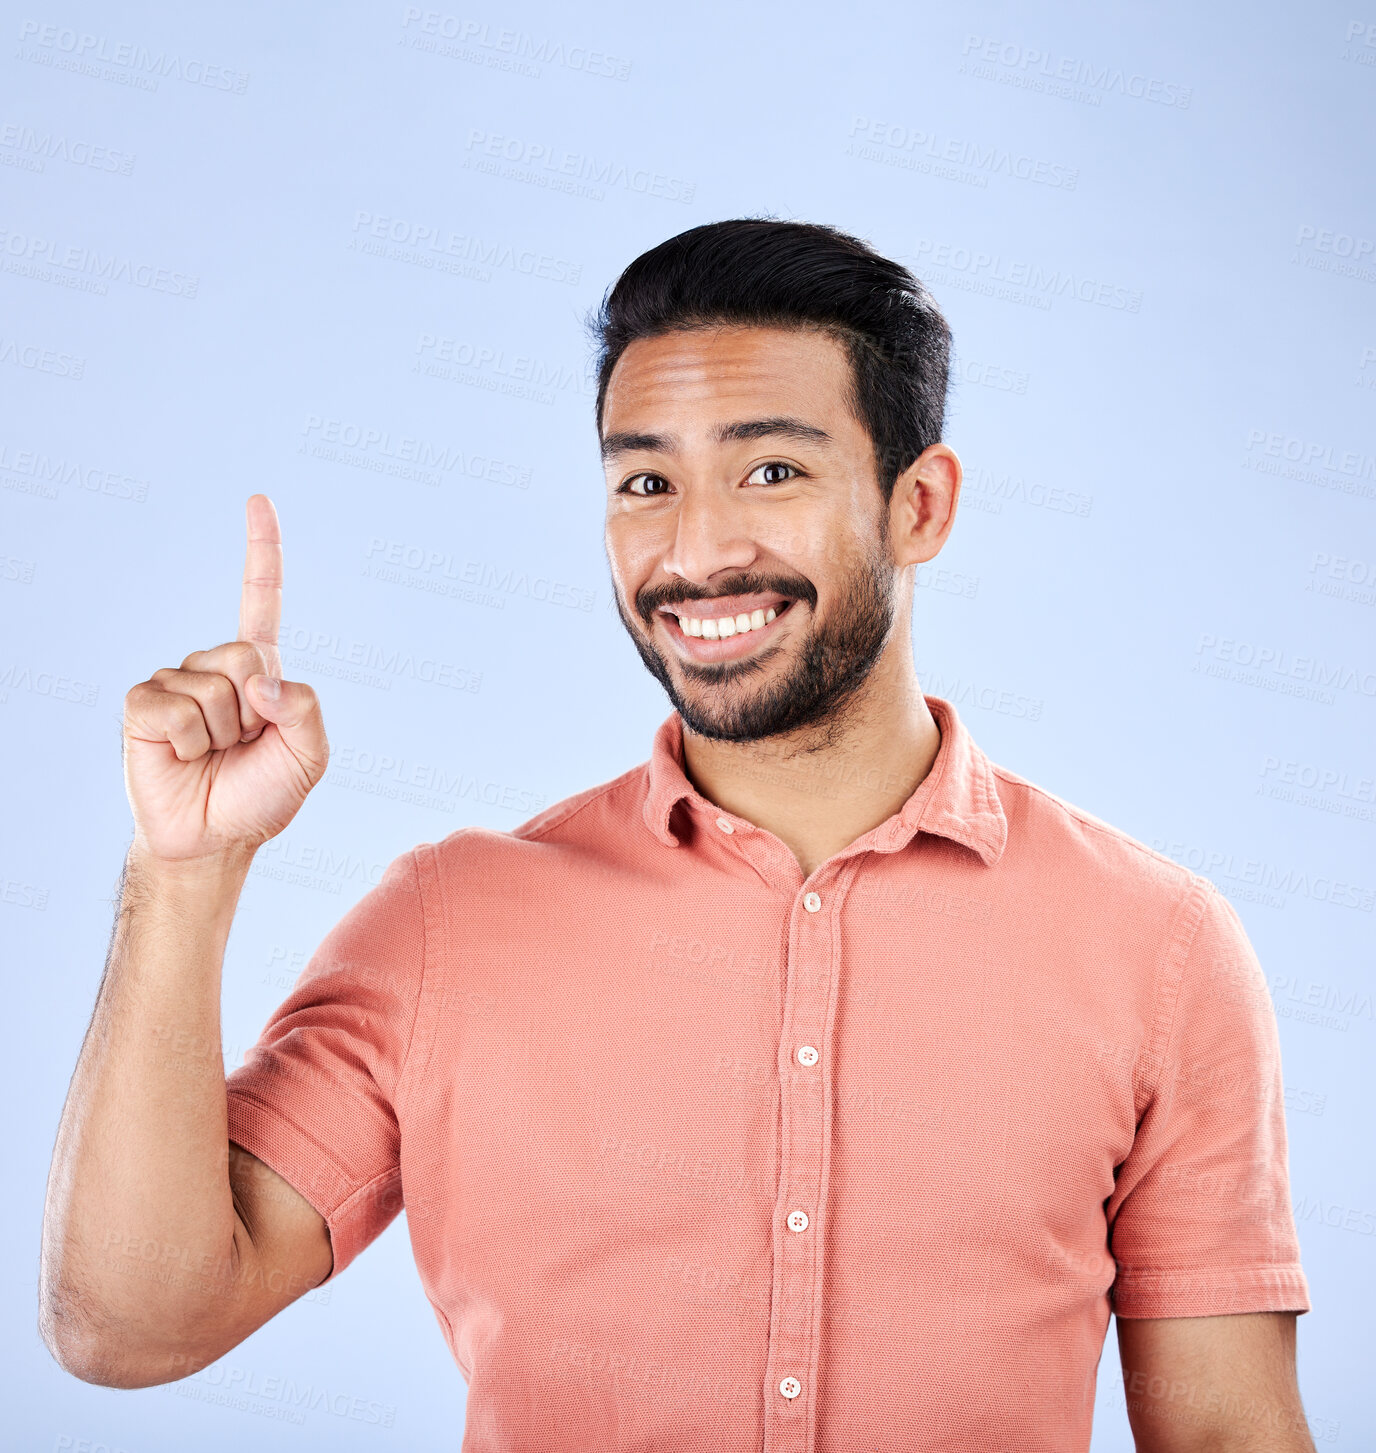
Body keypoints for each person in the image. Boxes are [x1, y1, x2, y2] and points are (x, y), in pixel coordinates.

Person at [40, 219, 1315, 1451]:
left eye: (771, 469)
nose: (696, 550)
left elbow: (1222, 1431)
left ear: (918, 505)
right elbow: (130, 1325)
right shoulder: (449, 922)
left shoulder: (1156, 946)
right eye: (645, 481)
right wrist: (185, 872)